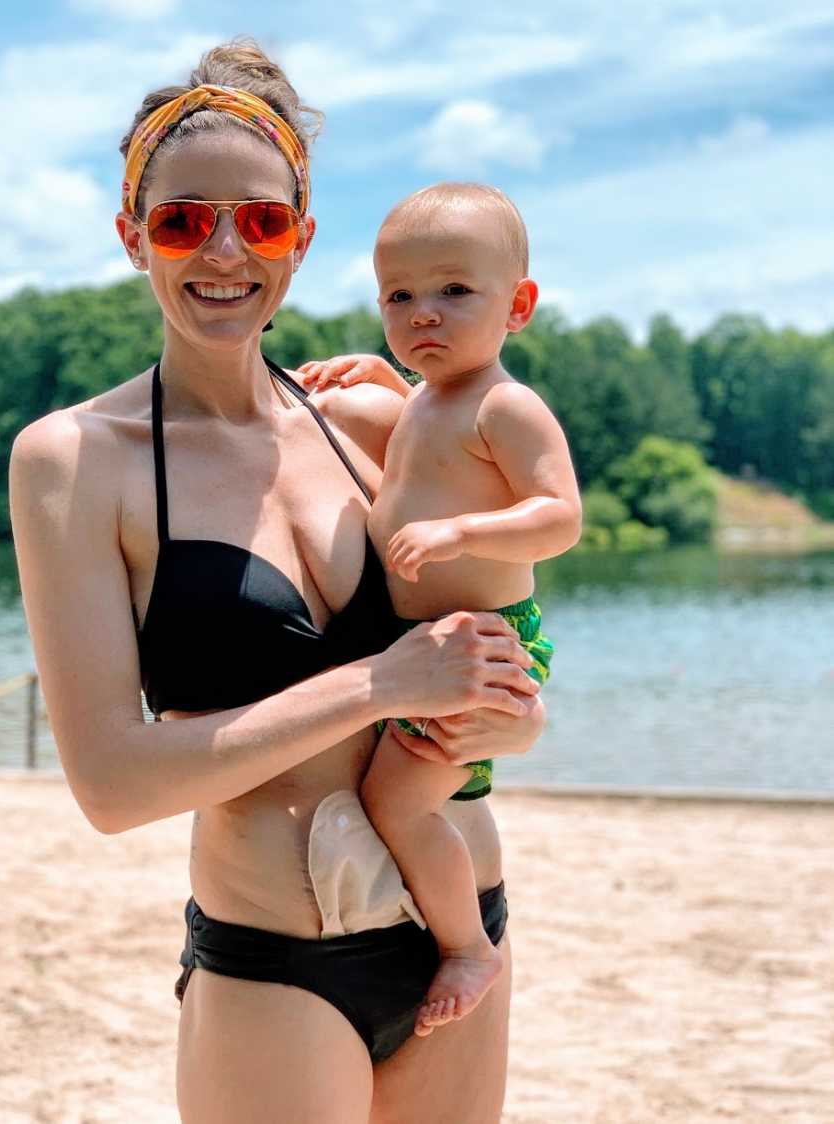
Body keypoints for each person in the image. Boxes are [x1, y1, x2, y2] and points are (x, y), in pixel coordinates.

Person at [9, 40, 547, 1124]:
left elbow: (506, 667)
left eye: (258, 220)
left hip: (460, 934)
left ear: (298, 241)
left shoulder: (375, 424)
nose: (221, 249)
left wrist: (502, 712)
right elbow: (112, 784)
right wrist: (381, 685)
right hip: (276, 965)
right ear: (132, 239)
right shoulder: (78, 460)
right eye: (180, 220)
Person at [303, 183, 581, 1035]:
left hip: (484, 645)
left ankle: (467, 946)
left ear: (518, 305)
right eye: (400, 296)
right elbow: (422, 441)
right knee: (401, 793)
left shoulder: (506, 405)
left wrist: (464, 530)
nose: (425, 312)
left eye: (455, 291)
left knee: (398, 803)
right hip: (432, 647)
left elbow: (561, 515)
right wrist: (385, 379)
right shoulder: (428, 396)